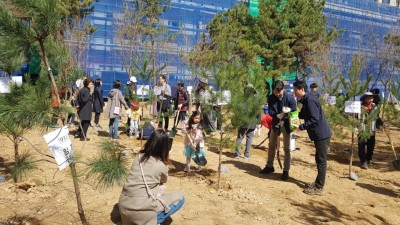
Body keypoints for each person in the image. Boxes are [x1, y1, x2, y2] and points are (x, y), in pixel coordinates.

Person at [118, 130, 185, 225]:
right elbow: (163, 180)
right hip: (141, 212)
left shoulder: (138, 157)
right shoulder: (161, 165)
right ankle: (154, 221)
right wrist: (167, 157)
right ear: (165, 147)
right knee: (180, 198)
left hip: (124, 206)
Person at [293, 80, 332, 196]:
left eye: (295, 90)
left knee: (321, 160)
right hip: (319, 134)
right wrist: (291, 113)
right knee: (319, 159)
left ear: (301, 90)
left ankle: (319, 187)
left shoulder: (310, 100)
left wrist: (302, 126)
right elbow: (304, 115)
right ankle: (317, 183)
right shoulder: (306, 100)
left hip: (321, 134)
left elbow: (314, 118)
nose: (294, 93)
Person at [259, 80, 297, 181]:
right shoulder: (271, 97)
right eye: (276, 91)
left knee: (287, 148)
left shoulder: (289, 98)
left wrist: (289, 111)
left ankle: (286, 171)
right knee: (271, 145)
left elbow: (295, 110)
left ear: (283, 89)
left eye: (279, 91)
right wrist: (276, 115)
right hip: (275, 123)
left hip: (286, 124)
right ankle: (269, 166)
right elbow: (270, 111)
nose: (277, 93)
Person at [235, 84, 260, 159]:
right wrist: (258, 122)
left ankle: (237, 154)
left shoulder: (241, 99)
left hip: (242, 122)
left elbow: (237, 111)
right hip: (252, 122)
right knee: (249, 138)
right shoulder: (256, 100)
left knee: (240, 137)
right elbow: (258, 111)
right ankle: (246, 154)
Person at [358, 92, 378, 170]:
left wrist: (382, 123)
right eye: (369, 98)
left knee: (371, 145)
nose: (370, 99)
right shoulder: (360, 107)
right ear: (365, 99)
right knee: (361, 145)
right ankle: (363, 161)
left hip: (371, 129)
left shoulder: (374, 107)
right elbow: (354, 116)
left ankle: (368, 159)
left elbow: (377, 117)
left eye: (371, 98)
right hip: (362, 128)